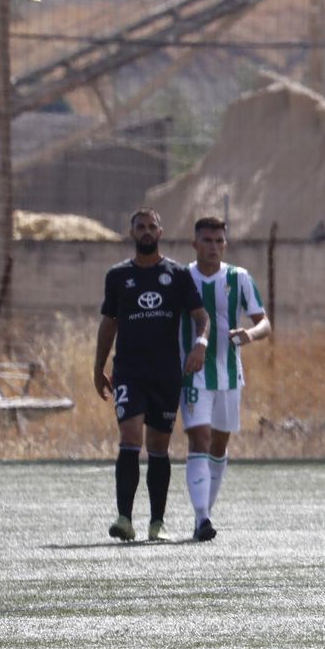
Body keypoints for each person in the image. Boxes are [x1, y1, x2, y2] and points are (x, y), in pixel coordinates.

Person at [93, 208, 208, 542]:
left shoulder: (177, 274)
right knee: (130, 438)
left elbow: (201, 318)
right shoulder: (117, 276)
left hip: (165, 372)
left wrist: (200, 344)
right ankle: (124, 519)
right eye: (140, 226)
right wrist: (98, 367)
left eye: (151, 226)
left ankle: (157, 522)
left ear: (160, 232)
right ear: (131, 233)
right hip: (128, 370)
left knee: (159, 445)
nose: (146, 231)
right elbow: (109, 323)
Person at [180, 216, 272, 542]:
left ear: (225, 244)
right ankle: (201, 517)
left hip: (230, 375)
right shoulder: (183, 277)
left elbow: (264, 323)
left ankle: (205, 514)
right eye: (207, 241)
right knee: (199, 440)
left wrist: (250, 333)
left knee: (219, 445)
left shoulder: (238, 277)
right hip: (193, 375)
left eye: (219, 241)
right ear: (195, 244)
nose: (213, 247)